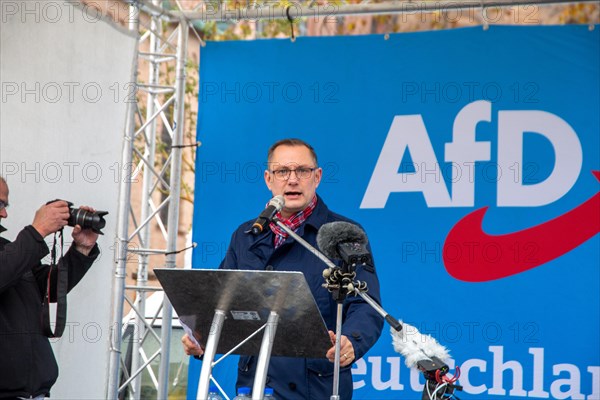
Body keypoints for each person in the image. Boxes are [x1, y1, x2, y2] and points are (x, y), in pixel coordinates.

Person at [182, 139, 384, 399]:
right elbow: (221, 302)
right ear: (269, 179)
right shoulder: (245, 236)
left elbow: (366, 305)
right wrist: (200, 336)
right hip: (255, 384)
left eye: (302, 170)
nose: (292, 179)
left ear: (317, 177)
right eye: (282, 171)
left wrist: (351, 341)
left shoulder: (344, 235)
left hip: (316, 386)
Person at [0, 175, 100, 399]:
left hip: (35, 393)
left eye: (5, 205)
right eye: (0, 204)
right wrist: (37, 231)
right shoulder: (13, 255)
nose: (4, 214)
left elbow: (50, 289)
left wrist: (81, 250)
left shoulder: (9, 250)